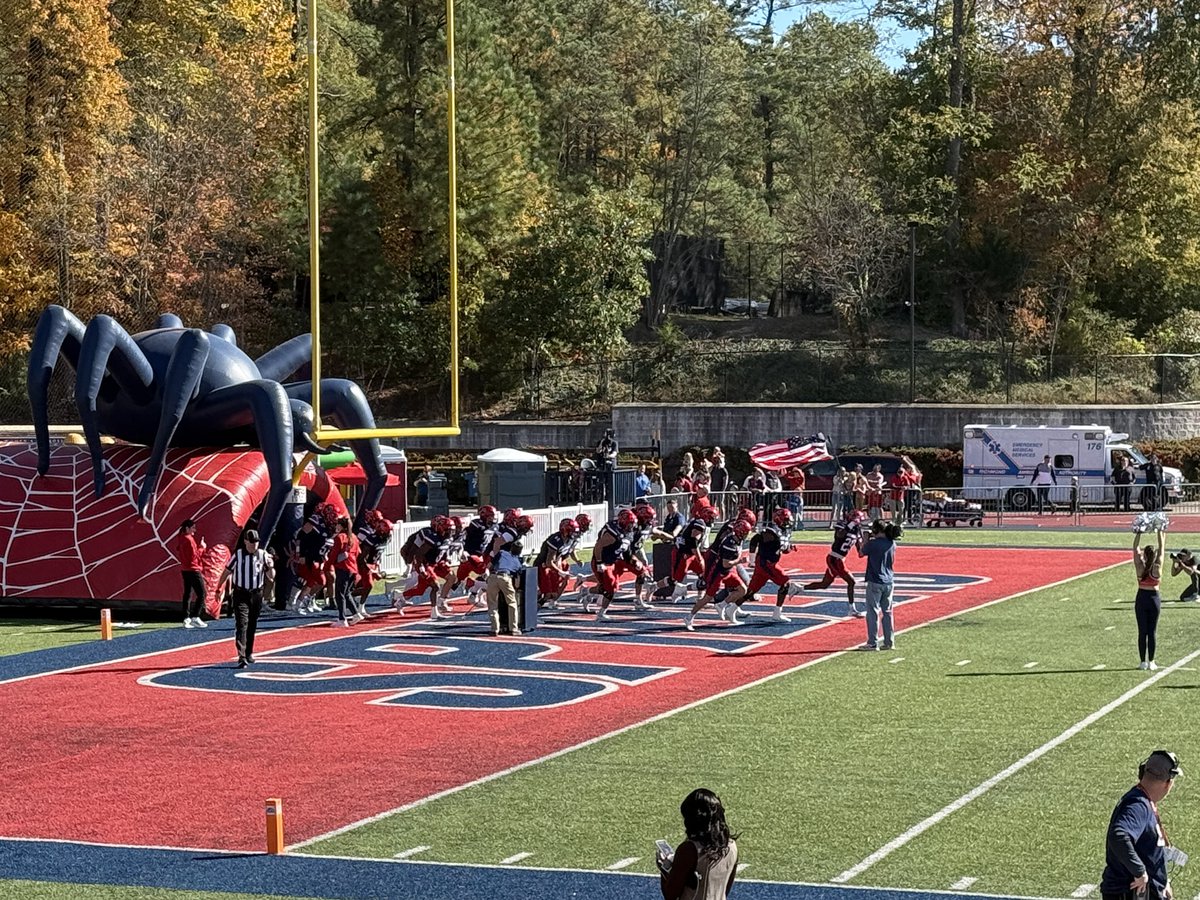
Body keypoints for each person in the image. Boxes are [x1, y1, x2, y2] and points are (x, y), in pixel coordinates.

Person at [1100, 750, 1182, 900]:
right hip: (1129, 893)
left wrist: (1163, 882)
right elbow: (1119, 836)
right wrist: (1140, 872)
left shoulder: (1143, 801)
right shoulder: (1138, 805)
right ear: (1168, 783)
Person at [657, 788, 738, 900]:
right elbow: (724, 890)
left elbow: (670, 894)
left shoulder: (689, 850)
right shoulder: (732, 846)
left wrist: (664, 867)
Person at [216, 529, 274, 668]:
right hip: (241, 593)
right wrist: (219, 587)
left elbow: (271, 576)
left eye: (256, 542)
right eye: (252, 542)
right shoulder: (238, 555)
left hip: (256, 593)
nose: (254, 545)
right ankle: (241, 656)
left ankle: (248, 653)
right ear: (246, 542)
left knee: (252, 623)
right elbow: (227, 571)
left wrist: (271, 566)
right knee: (242, 623)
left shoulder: (263, 555)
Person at [804, 508, 867, 617]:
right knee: (851, 582)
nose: (859, 523)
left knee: (824, 584)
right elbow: (839, 535)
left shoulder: (857, 531)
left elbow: (860, 553)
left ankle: (798, 588)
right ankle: (852, 609)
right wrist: (850, 525)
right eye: (858, 520)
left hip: (840, 560)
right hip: (834, 558)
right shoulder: (842, 524)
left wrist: (868, 543)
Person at [859, 520, 901, 650]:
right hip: (889, 581)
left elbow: (861, 552)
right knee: (887, 612)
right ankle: (889, 641)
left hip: (875, 580)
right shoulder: (891, 543)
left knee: (872, 612)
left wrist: (865, 539)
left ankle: (872, 642)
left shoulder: (873, 544)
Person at [1133, 529, 1165, 670]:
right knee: (1152, 632)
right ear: (1154, 554)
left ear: (1144, 555)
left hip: (1141, 598)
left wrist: (1138, 533)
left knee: (1142, 632)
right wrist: (1160, 531)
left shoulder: (1140, 566)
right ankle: (1151, 661)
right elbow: (1162, 548)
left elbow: (1135, 548)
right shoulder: (1157, 567)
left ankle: (1142, 662)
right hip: (1154, 599)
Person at [175, 519, 208, 628]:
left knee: (188, 593)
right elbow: (195, 556)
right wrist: (202, 547)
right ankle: (195, 616)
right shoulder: (189, 539)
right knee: (202, 593)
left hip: (185, 569)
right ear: (187, 528)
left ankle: (186, 618)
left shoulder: (181, 538)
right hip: (193, 569)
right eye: (193, 528)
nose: (195, 530)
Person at [330, 516, 363, 627]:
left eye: (337, 524)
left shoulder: (340, 537)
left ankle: (342, 618)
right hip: (353, 568)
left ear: (341, 526)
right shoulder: (354, 537)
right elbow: (358, 553)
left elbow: (334, 554)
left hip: (343, 568)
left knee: (340, 594)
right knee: (346, 593)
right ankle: (356, 614)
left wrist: (328, 565)